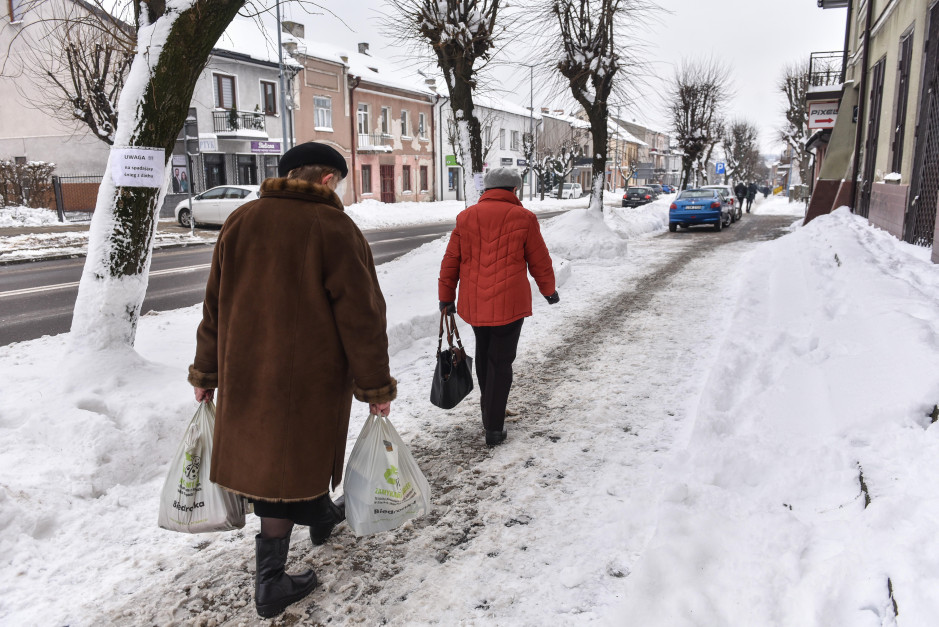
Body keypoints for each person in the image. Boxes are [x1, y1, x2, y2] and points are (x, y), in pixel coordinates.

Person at [187, 142, 397, 619]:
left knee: (273, 460)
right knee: (283, 469)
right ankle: (270, 582)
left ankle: (320, 515)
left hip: (246, 374)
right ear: (327, 179)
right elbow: (362, 317)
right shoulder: (334, 227)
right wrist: (375, 385)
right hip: (307, 380)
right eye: (339, 183)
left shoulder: (240, 221)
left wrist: (207, 372)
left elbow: (214, 308)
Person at [438, 168, 558, 447]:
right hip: (510, 304)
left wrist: (446, 297)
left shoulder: (466, 217)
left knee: (484, 354)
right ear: (514, 190)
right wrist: (549, 291)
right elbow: (540, 260)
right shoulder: (524, 218)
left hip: (475, 304)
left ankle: (488, 409)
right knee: (501, 361)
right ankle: (493, 426)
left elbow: (451, 261)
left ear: (487, 190)